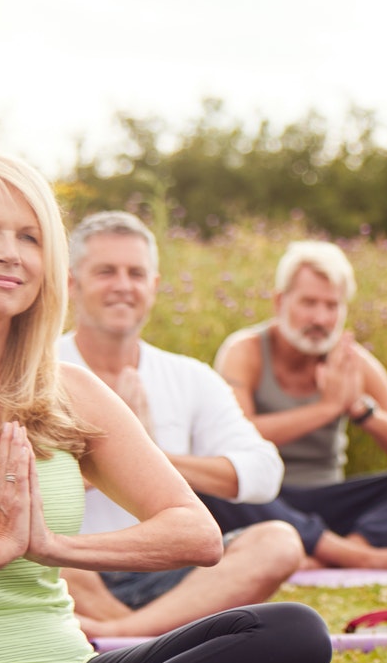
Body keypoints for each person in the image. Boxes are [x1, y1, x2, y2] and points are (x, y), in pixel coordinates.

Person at [0, 151, 330, 663]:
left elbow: (196, 533)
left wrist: (50, 545)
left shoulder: (65, 389)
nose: (9, 253)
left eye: (29, 236)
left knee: (293, 633)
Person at [55, 211, 303, 636]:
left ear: (153, 286)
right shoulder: (38, 372)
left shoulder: (189, 376)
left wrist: (145, 452)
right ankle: (150, 635)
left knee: (279, 542)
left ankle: (119, 634)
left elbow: (264, 471)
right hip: (75, 567)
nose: (122, 285)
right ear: (72, 283)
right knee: (36, 554)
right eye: (105, 272)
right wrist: (106, 457)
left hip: (168, 573)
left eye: (136, 273)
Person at [206, 242, 387, 569]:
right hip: (266, 500)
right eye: (309, 303)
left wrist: (361, 410)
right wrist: (325, 409)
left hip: (331, 501)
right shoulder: (245, 351)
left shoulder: (353, 362)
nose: (320, 318)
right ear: (280, 301)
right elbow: (231, 437)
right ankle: (357, 558)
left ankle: (344, 551)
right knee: (205, 479)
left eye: (332, 306)